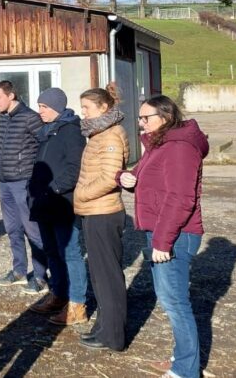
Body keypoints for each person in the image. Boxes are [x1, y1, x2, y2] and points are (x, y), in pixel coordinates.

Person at [118, 96, 208, 378]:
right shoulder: (159, 145)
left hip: (175, 234)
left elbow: (181, 198)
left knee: (175, 302)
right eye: (140, 118)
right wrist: (127, 178)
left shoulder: (180, 148)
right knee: (170, 299)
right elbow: (153, 182)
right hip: (162, 231)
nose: (141, 123)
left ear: (166, 117)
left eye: (146, 118)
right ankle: (182, 358)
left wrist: (162, 241)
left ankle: (185, 370)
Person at [75, 85, 130, 352]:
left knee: (108, 277)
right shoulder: (99, 133)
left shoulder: (110, 136)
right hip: (94, 211)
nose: (82, 112)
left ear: (104, 108)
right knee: (99, 276)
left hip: (103, 213)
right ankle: (104, 327)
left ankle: (113, 336)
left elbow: (110, 177)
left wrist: (82, 194)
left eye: (86, 107)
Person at [27, 87, 88, 327]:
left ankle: (77, 305)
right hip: (43, 204)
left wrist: (53, 189)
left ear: (57, 107)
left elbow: (74, 168)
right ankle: (59, 294)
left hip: (62, 204)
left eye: (44, 107)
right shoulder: (46, 132)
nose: (40, 111)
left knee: (71, 254)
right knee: (52, 252)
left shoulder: (70, 131)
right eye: (40, 106)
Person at [0, 80, 47, 295]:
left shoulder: (30, 118)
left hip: (24, 182)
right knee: (12, 229)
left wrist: (35, 173)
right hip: (4, 181)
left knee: (32, 230)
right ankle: (19, 271)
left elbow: (44, 144)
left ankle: (41, 276)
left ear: (11, 95)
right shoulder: (2, 117)